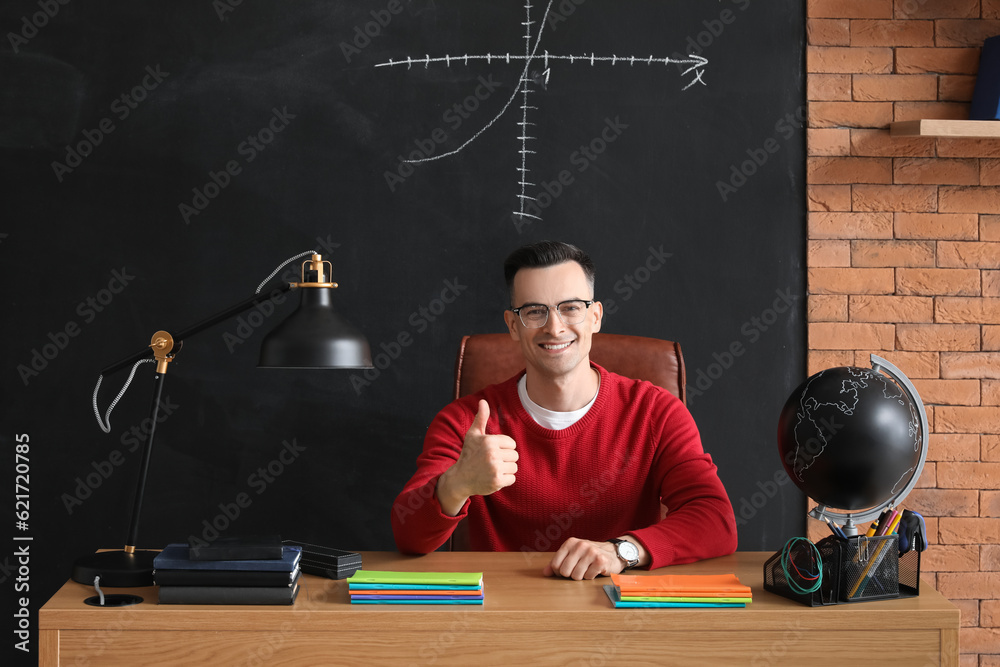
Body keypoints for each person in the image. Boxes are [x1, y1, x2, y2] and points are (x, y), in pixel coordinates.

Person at [391, 240, 737, 580]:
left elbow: (715, 519)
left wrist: (621, 551)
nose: (554, 327)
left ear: (595, 316)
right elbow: (408, 536)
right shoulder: (465, 422)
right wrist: (457, 483)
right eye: (534, 311)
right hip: (502, 618)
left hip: (622, 613)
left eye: (570, 307)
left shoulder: (656, 411)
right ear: (513, 326)